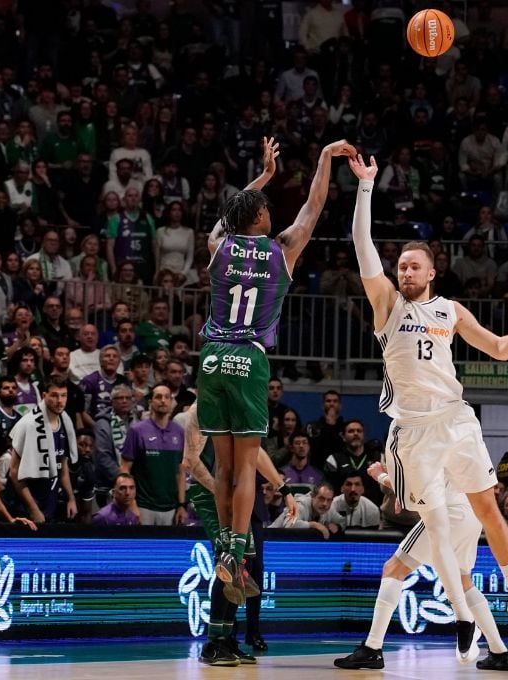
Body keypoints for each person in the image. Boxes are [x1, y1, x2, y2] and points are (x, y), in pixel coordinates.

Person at [348, 153, 508, 653]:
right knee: (434, 524)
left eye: (414, 266)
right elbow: (362, 245)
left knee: (489, 507)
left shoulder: (451, 310)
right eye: (401, 266)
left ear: (432, 272)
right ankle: (464, 620)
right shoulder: (388, 304)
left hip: (456, 420)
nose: (406, 271)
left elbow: (500, 349)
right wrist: (367, 187)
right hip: (414, 430)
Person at [196, 137, 353, 601]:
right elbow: (315, 204)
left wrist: (262, 177)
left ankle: (224, 544)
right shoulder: (282, 248)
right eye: (265, 205)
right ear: (261, 218)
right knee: (247, 469)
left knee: (222, 467)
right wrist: (324, 157)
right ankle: (239, 554)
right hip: (249, 358)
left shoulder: (217, 246)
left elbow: (230, 215)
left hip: (211, 357)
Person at [335, 461, 508, 671]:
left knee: (394, 568)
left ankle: (372, 648)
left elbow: (416, 490)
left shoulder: (429, 436)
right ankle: (499, 652)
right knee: (464, 581)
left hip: (447, 513)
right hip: (471, 513)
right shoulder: (466, 438)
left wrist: (380, 476)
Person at [179, 402, 295, 665]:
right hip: (209, 492)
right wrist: (221, 493)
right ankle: (213, 643)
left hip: (235, 491)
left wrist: (283, 489)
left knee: (246, 562)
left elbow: (255, 454)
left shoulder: (243, 405)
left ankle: (227, 638)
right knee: (228, 561)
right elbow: (190, 461)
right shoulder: (201, 409)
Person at [9, 377, 79, 524]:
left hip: (50, 504)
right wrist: (33, 509)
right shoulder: (28, 424)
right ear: (44, 395)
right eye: (54, 395)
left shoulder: (65, 423)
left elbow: (62, 465)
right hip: (26, 508)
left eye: (63, 395)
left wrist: (71, 498)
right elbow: (14, 472)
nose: (60, 400)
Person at [119, 384, 186, 525]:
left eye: (167, 397)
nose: (163, 400)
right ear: (150, 402)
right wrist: (132, 504)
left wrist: (181, 505)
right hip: (144, 507)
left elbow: (180, 473)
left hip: (171, 508)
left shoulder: (179, 432)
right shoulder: (137, 431)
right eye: (158, 397)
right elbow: (125, 469)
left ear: (171, 402)